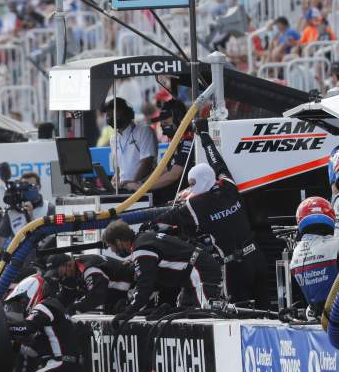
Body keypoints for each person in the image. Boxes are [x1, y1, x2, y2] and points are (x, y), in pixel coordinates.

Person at [155, 129, 270, 308]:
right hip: (257, 257)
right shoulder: (229, 187)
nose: (191, 188)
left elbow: (162, 220)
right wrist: (206, 139)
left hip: (236, 267)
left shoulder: (197, 205)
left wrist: (147, 226)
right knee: (267, 311)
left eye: (192, 183)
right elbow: (218, 165)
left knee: (242, 315)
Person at [0, 275, 89, 372]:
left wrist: (2, 329)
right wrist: (13, 345)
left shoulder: (45, 306)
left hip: (60, 364)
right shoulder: (53, 307)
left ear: (34, 292)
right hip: (63, 364)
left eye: (23, 301)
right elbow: (35, 351)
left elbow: (27, 328)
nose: (23, 304)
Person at [107, 220, 224, 321]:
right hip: (193, 273)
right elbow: (152, 281)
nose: (112, 251)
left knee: (201, 317)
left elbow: (145, 285)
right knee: (182, 318)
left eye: (110, 246)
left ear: (118, 242)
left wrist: (127, 313)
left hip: (201, 271)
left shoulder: (141, 248)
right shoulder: (144, 239)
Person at [46, 252, 132, 313]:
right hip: (115, 297)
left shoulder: (88, 268)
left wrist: (74, 309)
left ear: (68, 264)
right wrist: (49, 308)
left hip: (132, 290)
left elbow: (96, 296)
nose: (58, 277)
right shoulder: (70, 274)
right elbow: (65, 297)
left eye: (57, 272)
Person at [103, 97, 157, 192]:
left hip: (143, 188)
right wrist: (116, 178)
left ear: (127, 113)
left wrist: (132, 181)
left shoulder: (144, 131)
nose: (110, 116)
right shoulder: (113, 139)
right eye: (109, 114)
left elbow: (147, 162)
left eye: (115, 112)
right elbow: (119, 167)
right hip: (124, 189)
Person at [148, 99, 195, 205]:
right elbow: (164, 169)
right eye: (161, 121)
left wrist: (143, 188)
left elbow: (173, 174)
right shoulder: (176, 141)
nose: (162, 124)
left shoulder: (188, 141)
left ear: (179, 118)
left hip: (183, 202)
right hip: (172, 199)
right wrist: (143, 183)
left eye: (166, 120)